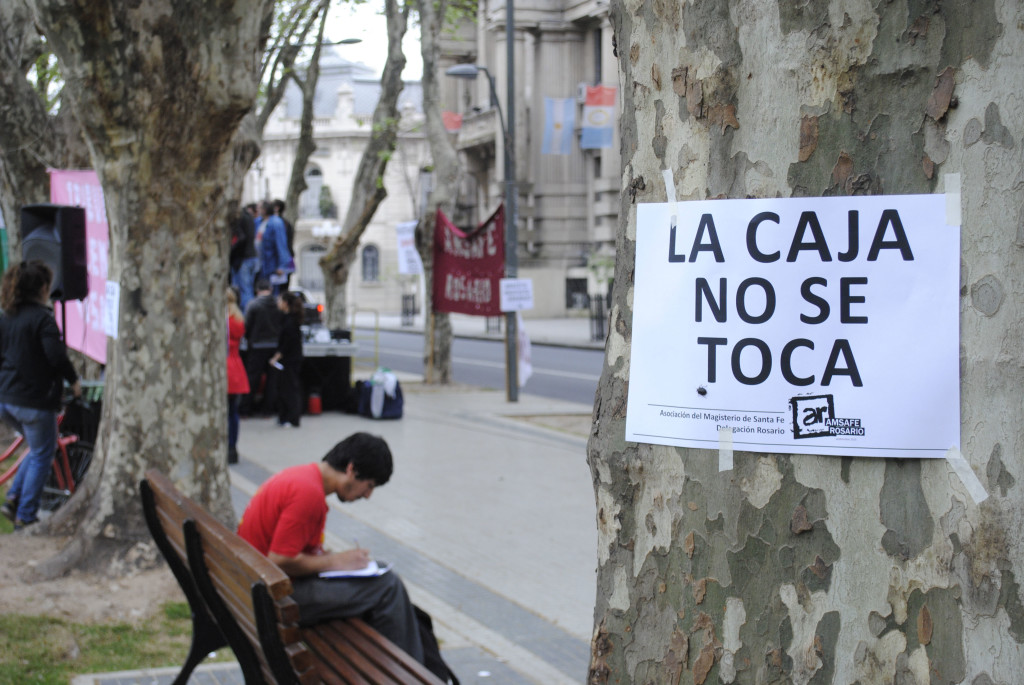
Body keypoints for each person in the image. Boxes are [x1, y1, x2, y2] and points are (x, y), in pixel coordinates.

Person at [236, 433, 425, 664]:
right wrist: (337, 562)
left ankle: (396, 667)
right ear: (351, 470)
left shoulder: (301, 477)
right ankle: (407, 671)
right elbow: (279, 560)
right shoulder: (308, 494)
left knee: (381, 573)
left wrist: (339, 560)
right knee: (388, 585)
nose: (367, 495)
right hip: (271, 600)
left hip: (250, 588)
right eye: (369, 486)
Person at [0, 261, 82, 530]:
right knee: (43, 454)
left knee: (37, 450)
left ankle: (12, 498)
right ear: (44, 289)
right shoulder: (42, 319)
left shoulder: (6, 317)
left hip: (7, 400)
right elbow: (56, 356)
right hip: (34, 401)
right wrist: (74, 381)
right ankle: (26, 514)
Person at [241, 278, 283, 417]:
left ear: (257, 290)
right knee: (272, 381)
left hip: (257, 345)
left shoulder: (253, 305)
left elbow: (246, 326)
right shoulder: (278, 304)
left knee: (253, 378)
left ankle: (246, 409)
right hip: (274, 346)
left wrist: (248, 339)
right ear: (270, 289)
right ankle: (268, 410)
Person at [270, 291, 304, 428]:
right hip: (290, 360)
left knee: (289, 389)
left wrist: (276, 357)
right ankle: (284, 416)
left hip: (291, 360)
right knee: (284, 388)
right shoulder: (288, 319)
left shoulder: (290, 322)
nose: (278, 303)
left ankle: (292, 417)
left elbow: (286, 344)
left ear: (285, 303)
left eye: (280, 300)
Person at [226, 287, 250, 464]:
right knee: (233, 411)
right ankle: (233, 446)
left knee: (226, 412)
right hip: (236, 366)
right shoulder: (238, 319)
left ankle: (226, 446)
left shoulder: (224, 321)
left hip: (225, 366)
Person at [257, 201, 292, 295]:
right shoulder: (260, 222)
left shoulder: (276, 223)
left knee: (272, 292)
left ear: (264, 209)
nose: (258, 210)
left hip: (272, 265)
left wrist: (282, 266)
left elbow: (281, 244)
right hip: (262, 264)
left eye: (259, 208)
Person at [229, 205, 259, 311]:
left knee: (243, 291)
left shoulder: (240, 217)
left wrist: (232, 251)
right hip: (251, 257)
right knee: (248, 290)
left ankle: (246, 316)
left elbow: (241, 238)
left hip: (243, 260)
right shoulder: (249, 217)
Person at [271, 199, 296, 290]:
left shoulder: (279, 223)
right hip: (287, 258)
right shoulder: (286, 223)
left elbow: (282, 244)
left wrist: (281, 265)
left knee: (280, 288)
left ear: (276, 208)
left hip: (282, 261)